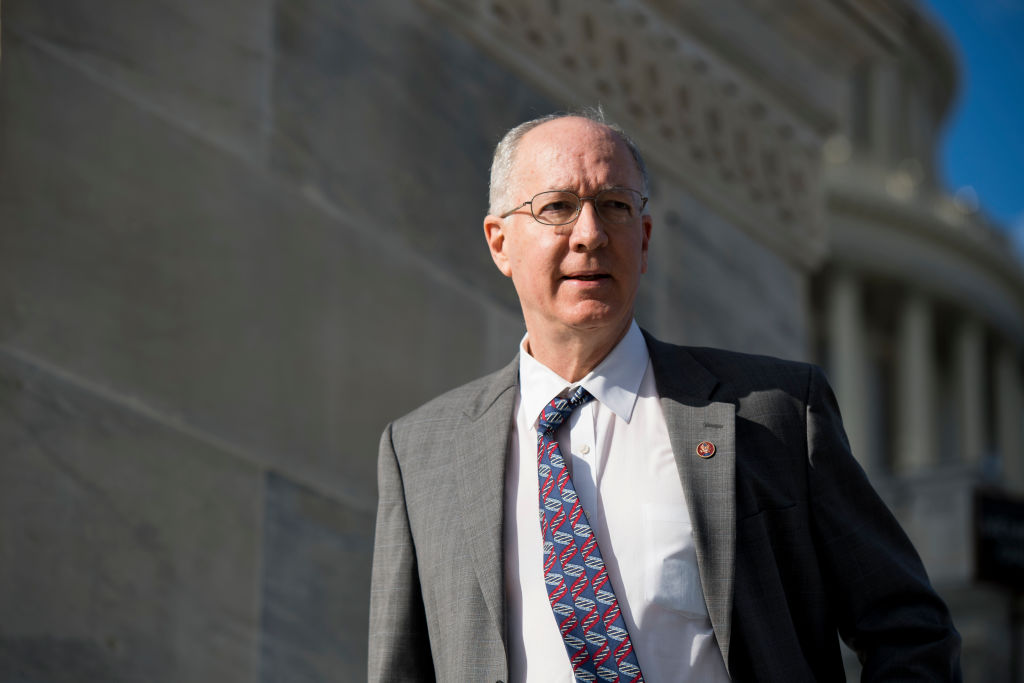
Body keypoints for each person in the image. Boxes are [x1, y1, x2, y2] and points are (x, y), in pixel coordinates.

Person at [368, 111, 962, 682]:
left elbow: (908, 628)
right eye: (556, 208)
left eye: (615, 207)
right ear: (500, 243)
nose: (590, 235)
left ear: (645, 238)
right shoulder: (422, 452)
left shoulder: (775, 412)